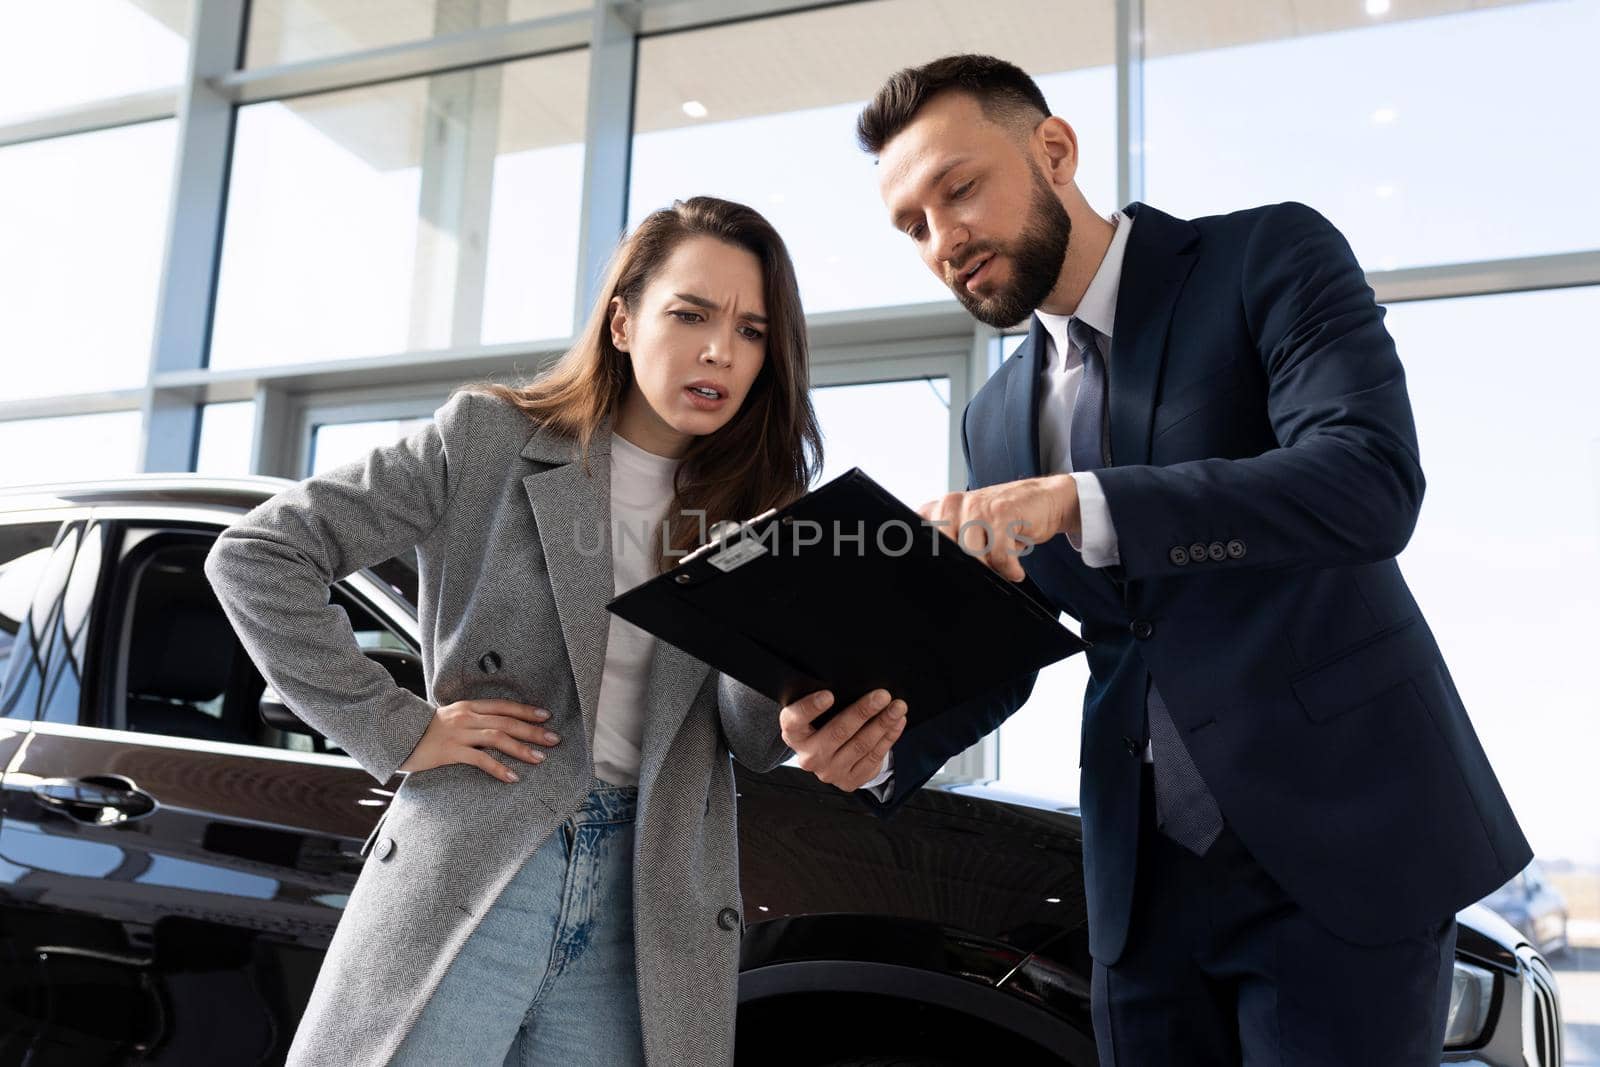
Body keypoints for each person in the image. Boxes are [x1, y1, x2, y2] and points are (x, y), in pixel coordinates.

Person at [781, 54, 1532, 1065]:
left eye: (958, 189)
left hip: (1337, 847)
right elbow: (1027, 642)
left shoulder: (1266, 256)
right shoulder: (995, 415)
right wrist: (879, 738)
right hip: (1138, 890)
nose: (943, 238)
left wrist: (1079, 502)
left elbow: (1368, 480)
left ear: (1054, 150)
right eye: (911, 226)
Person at [206, 196, 824, 1066]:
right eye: (690, 314)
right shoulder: (490, 439)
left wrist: (762, 604)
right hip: (483, 862)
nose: (720, 349)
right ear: (622, 320)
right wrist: (399, 726)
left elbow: (753, 741)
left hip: (647, 902)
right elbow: (256, 554)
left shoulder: (756, 514)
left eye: (753, 330)